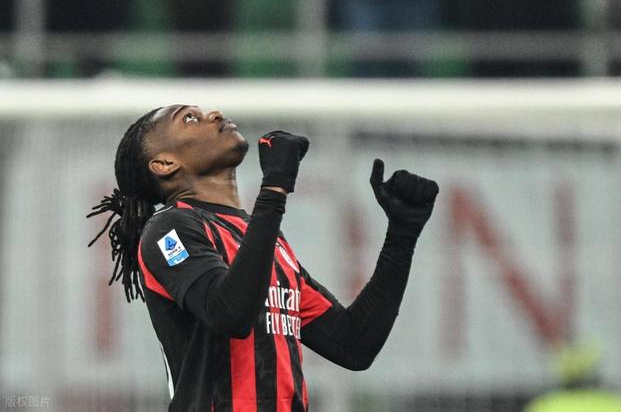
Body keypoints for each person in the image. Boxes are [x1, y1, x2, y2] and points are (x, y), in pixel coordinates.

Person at [87, 105, 438, 411]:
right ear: (165, 163)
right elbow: (230, 314)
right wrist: (274, 186)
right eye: (189, 118)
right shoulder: (169, 229)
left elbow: (353, 345)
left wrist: (402, 235)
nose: (214, 114)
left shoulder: (262, 239)